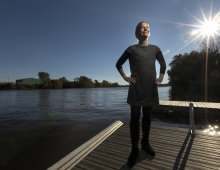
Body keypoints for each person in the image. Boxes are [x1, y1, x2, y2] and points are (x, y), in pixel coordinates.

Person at [115, 21, 166, 167]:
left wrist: (161, 77)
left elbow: (163, 64)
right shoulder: (131, 49)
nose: (146, 29)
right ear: (137, 33)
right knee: (135, 119)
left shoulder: (155, 49)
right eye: (143, 27)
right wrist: (125, 77)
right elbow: (118, 64)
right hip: (136, 88)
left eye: (148, 27)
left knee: (147, 117)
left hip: (150, 88)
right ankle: (134, 149)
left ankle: (145, 143)